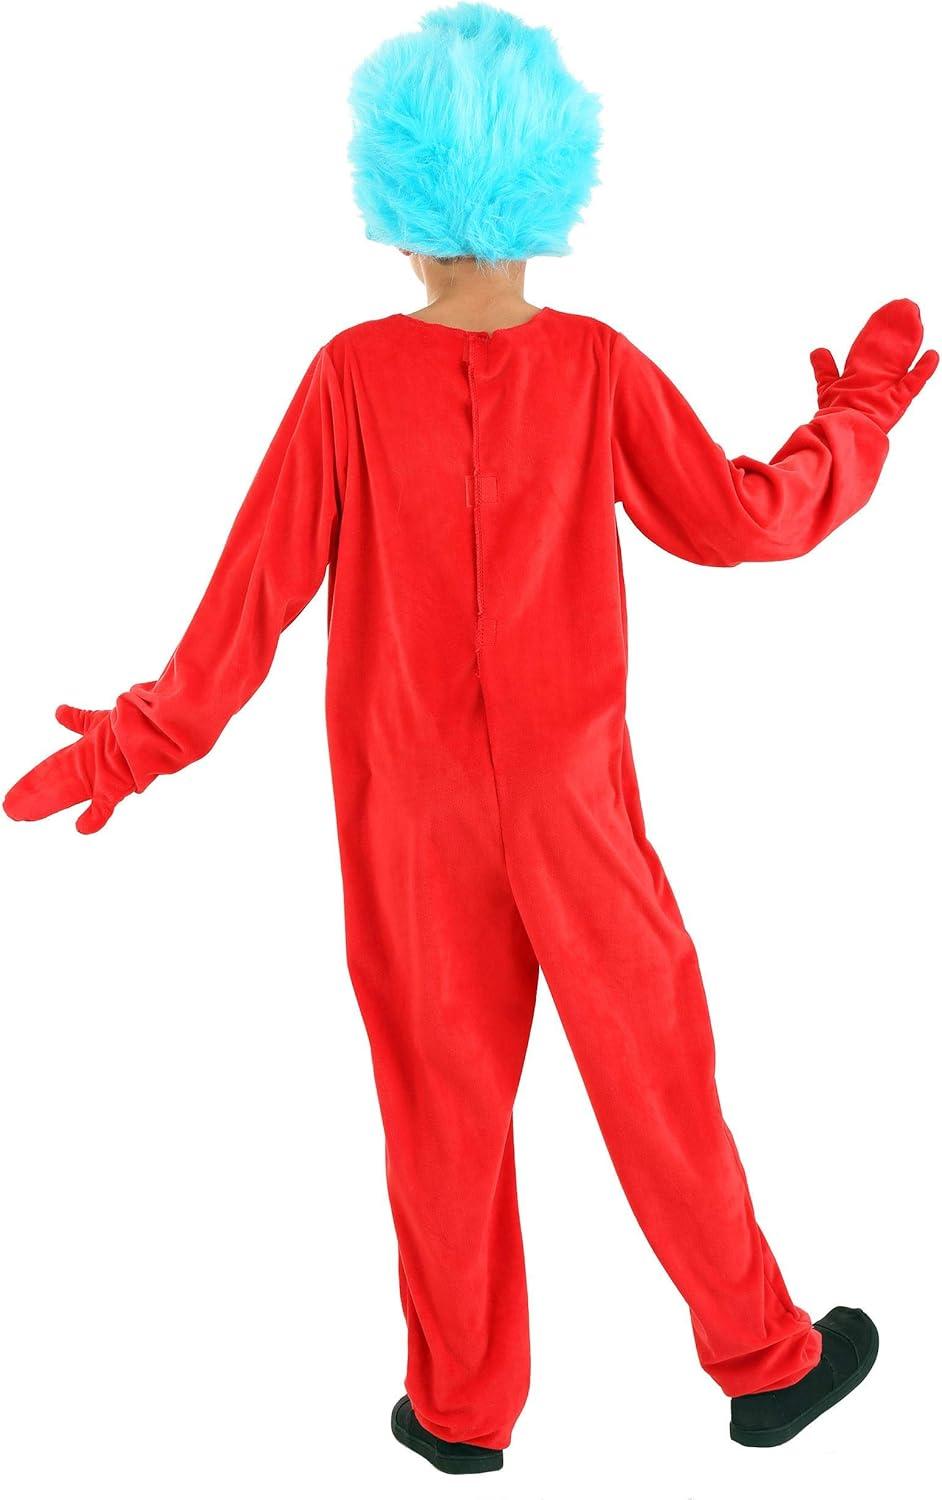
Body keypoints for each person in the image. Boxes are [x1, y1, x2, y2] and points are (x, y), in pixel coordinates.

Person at [4, 2, 936, 1475]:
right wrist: (861, 415)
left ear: (394, 205)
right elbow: (744, 521)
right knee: (657, 1073)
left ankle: (458, 1410)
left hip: (406, 811)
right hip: (573, 805)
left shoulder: (348, 379)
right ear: (550, 191)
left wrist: (137, 744)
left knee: (438, 1106)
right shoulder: (596, 366)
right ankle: (767, 1364)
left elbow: (248, 602)